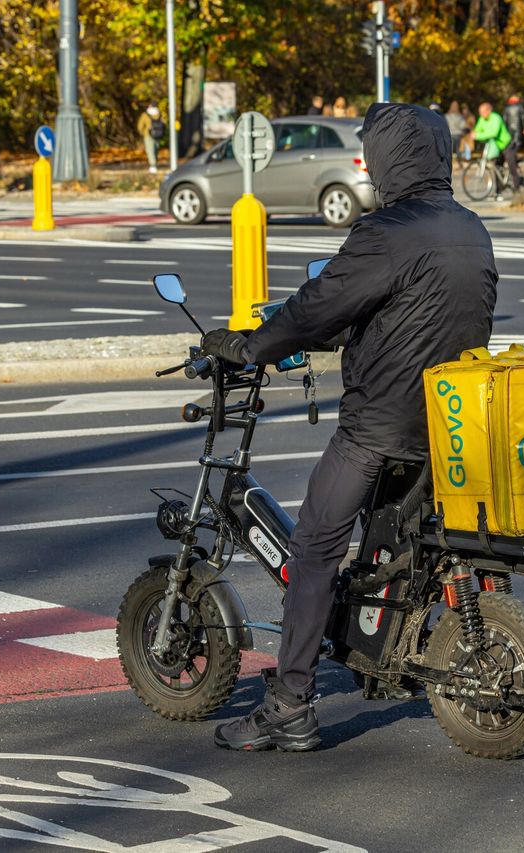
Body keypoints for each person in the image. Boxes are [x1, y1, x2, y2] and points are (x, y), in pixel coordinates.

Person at [200, 103, 498, 752]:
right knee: (387, 543)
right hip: (447, 427)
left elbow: (317, 307)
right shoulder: (470, 228)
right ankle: (380, 659)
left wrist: (250, 347)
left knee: (313, 548)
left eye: (375, 154)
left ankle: (289, 703)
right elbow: (409, 310)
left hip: (379, 426)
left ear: (393, 159)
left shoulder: (386, 232)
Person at [473, 101, 516, 196]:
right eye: (480, 112)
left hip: (506, 144)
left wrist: (478, 136)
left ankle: (518, 190)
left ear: (489, 111)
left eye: (482, 112)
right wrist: (475, 134)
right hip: (497, 147)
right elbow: (477, 130)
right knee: (496, 167)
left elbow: (494, 133)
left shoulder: (496, 118)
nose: (481, 114)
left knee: (512, 166)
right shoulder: (482, 119)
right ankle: (498, 191)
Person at [137, 104, 165, 174]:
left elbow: (140, 126)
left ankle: (153, 165)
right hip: (158, 135)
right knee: (156, 149)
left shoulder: (145, 115)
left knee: (150, 150)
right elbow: (164, 123)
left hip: (148, 135)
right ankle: (154, 163)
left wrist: (143, 133)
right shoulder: (159, 114)